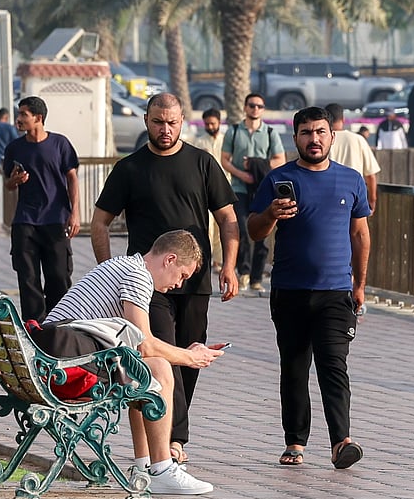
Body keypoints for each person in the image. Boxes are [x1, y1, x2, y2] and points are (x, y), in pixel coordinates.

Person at [92, 92, 239, 467]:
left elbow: (227, 217)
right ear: (146, 120)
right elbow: (100, 223)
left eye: (172, 122)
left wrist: (230, 265)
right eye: (158, 122)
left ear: (182, 121)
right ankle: (171, 441)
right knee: (161, 354)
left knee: (191, 355)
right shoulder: (130, 168)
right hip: (145, 283)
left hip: (194, 280)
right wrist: (113, 271)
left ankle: (174, 431)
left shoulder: (202, 163)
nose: (165, 129)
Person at [37, 230, 225, 495]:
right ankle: (161, 469)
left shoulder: (124, 265)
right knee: (157, 368)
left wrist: (184, 352)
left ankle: (145, 465)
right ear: (169, 259)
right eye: (182, 275)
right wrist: (190, 357)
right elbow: (144, 343)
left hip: (52, 363)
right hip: (64, 370)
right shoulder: (138, 275)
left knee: (143, 367)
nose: (180, 285)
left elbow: (139, 348)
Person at [248, 106, 371, 470]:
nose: (314, 139)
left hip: (336, 292)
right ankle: (295, 441)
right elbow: (255, 230)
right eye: (306, 132)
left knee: (334, 365)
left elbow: (360, 234)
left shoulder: (351, 180)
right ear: (295, 137)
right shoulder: (278, 179)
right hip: (289, 291)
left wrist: (360, 285)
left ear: (333, 136)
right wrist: (270, 214)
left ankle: (341, 441)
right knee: (295, 367)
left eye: (320, 132)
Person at [2, 96, 80, 322]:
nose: (19, 119)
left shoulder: (60, 144)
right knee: (28, 278)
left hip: (56, 220)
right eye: (19, 114)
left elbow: (72, 178)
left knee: (59, 276)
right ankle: (34, 326)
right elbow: (8, 184)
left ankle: (58, 323)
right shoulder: (14, 148)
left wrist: (74, 213)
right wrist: (15, 181)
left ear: (38, 118)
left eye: (23, 115)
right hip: (25, 221)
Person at [221, 92, 286, 291]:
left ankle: (257, 277)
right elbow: (225, 160)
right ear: (245, 107)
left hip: (262, 188)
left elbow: (279, 160)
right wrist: (243, 174)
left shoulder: (269, 133)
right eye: (251, 105)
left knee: (262, 234)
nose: (255, 109)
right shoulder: (234, 131)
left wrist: (259, 165)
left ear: (263, 109)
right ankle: (244, 272)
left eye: (259, 106)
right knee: (241, 228)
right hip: (239, 188)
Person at [325, 103, 382, 214]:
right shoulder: (358, 139)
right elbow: (370, 175)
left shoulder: (323, 140)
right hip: (355, 196)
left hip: (328, 197)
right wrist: (372, 200)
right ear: (343, 119)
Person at [192, 108, 226, 271]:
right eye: (207, 124)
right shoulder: (199, 143)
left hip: (225, 189)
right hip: (205, 191)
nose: (210, 126)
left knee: (221, 227)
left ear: (219, 122)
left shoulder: (226, 142)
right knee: (208, 226)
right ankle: (206, 259)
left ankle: (218, 261)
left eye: (213, 123)